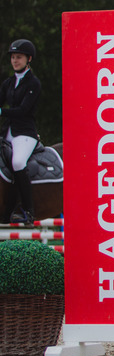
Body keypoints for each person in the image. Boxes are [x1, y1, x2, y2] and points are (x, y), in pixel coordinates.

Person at [0, 39, 41, 225]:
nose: (15, 61)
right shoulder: (8, 83)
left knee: (18, 162)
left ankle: (28, 210)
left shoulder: (33, 83)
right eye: (13, 57)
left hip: (25, 133)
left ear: (28, 59)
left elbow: (24, 110)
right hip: (8, 130)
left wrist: (2, 112)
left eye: (19, 57)